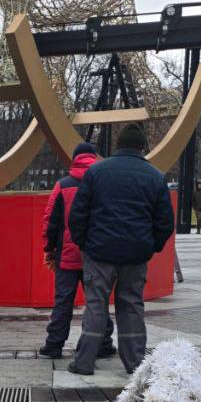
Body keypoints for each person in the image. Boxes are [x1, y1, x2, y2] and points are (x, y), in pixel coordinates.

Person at [67, 122, 174, 375]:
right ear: (142, 147)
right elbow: (165, 222)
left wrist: (85, 244)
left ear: (118, 145)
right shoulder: (155, 176)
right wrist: (151, 246)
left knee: (96, 304)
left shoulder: (97, 172)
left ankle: (84, 362)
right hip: (135, 255)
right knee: (131, 305)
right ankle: (135, 363)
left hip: (99, 251)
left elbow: (78, 215)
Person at [38, 142, 115, 360]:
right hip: (96, 255)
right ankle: (104, 344)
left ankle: (54, 346)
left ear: (74, 160)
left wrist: (49, 248)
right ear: (94, 159)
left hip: (67, 256)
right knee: (97, 300)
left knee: (63, 301)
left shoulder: (63, 185)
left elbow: (50, 220)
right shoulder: (104, 185)